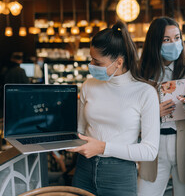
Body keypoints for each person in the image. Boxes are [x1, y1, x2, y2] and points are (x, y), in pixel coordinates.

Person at [68, 22, 160, 196]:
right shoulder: (89, 85)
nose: (91, 64)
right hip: (84, 168)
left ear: (118, 62)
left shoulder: (145, 92)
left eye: (97, 61)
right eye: (91, 58)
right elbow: (79, 131)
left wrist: (103, 147)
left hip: (120, 174)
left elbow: (149, 151)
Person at [138, 17, 185, 196]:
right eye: (166, 40)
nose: (173, 44)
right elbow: (131, 113)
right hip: (153, 145)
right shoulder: (140, 72)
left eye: (177, 38)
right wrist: (153, 113)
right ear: (154, 43)